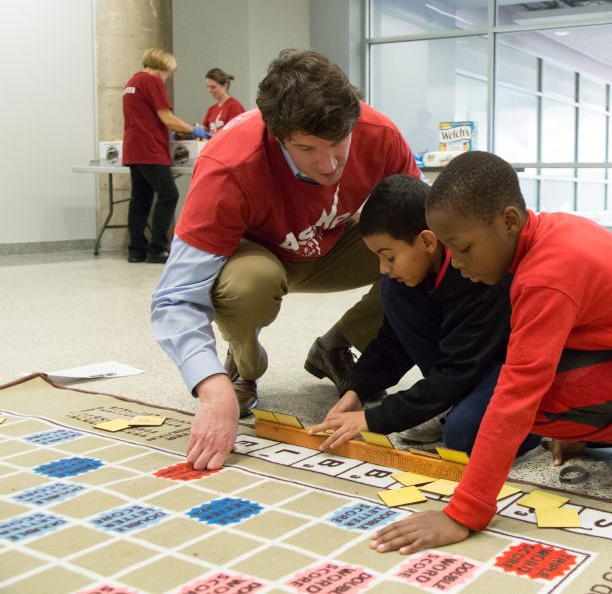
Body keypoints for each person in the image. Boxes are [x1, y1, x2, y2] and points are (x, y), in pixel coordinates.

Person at [367, 151, 612, 555]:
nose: (459, 263)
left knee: (531, 407)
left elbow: (517, 395)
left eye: (463, 248)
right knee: (534, 401)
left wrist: (465, 511)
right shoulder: (549, 229)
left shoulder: (545, 277)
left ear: (509, 221)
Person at [151, 49, 419, 472]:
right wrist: (209, 386)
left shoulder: (379, 133)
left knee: (414, 254)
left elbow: (424, 236)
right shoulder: (228, 164)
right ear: (276, 135)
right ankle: (243, 364)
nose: (329, 163)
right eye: (307, 148)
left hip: (334, 246)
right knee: (249, 284)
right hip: (258, 259)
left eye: (338, 143)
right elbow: (175, 298)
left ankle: (335, 345)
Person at [308, 174, 540, 457]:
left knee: (464, 435)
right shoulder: (405, 280)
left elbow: (459, 369)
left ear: (428, 242)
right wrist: (357, 390)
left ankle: (543, 424)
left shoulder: (476, 271)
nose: (383, 268)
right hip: (460, 367)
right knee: (391, 289)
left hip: (502, 365)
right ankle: (448, 403)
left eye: (389, 256)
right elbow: (393, 342)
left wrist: (376, 418)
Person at [122, 47, 211, 264]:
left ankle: (136, 250)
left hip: (133, 148)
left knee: (140, 199)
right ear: (163, 66)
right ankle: (158, 249)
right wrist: (193, 130)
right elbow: (167, 117)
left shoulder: (132, 83)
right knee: (168, 194)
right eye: (170, 71)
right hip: (150, 148)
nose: (169, 75)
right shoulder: (152, 82)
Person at [201, 68, 246, 135]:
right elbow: (203, 129)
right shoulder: (211, 110)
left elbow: (237, 132)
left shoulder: (234, 106)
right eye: (207, 87)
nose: (209, 90)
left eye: (213, 87)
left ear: (225, 86)